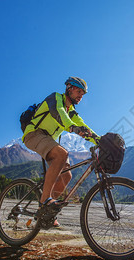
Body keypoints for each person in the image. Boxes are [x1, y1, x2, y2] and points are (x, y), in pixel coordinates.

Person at [22, 76, 99, 227]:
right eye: (78, 91)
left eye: (82, 94)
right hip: (34, 134)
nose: (80, 96)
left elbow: (83, 126)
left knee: (66, 175)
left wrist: (101, 139)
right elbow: (59, 114)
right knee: (61, 154)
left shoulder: (72, 111)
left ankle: (46, 213)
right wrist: (72, 128)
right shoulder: (55, 98)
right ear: (69, 88)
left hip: (49, 140)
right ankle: (45, 200)